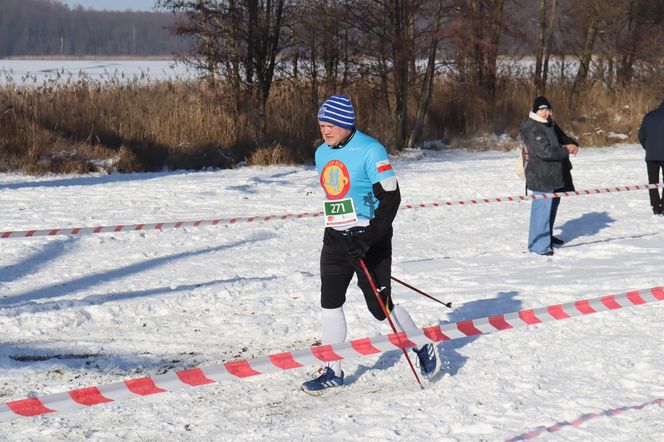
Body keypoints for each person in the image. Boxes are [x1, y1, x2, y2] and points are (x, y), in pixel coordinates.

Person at [301, 95, 437, 395]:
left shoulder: (371, 150)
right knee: (330, 304)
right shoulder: (321, 153)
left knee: (380, 308)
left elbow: (391, 199)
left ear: (347, 123)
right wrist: (338, 230)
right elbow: (336, 196)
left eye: (332, 125)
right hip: (335, 239)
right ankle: (333, 370)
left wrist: (368, 236)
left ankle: (420, 343)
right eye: (322, 125)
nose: (326, 131)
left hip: (370, 239)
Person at [520, 96, 579, 256]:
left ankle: (547, 238)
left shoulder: (548, 124)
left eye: (547, 110)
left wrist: (572, 144)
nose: (545, 113)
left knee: (551, 208)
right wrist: (566, 149)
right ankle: (539, 246)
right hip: (541, 175)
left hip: (554, 174)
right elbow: (545, 152)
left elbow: (560, 139)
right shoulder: (532, 127)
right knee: (542, 210)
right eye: (542, 110)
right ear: (535, 111)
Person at [638, 101, 664, 215]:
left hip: (651, 155)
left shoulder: (649, 116)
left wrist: (648, 148)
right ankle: (663, 205)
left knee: (652, 181)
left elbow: (641, 135)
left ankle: (655, 206)